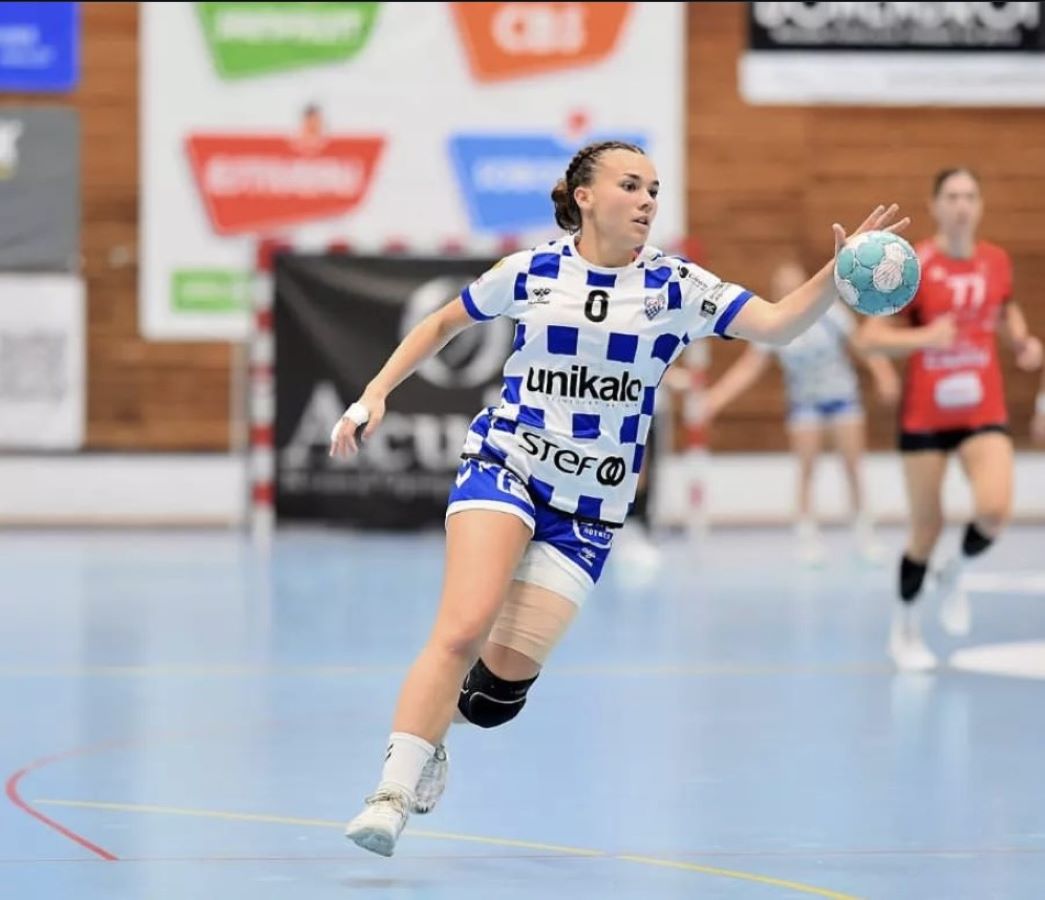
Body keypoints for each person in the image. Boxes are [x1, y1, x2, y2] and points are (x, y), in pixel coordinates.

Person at [329, 139, 909, 857]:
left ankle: (435, 729)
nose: (646, 201)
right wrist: (375, 392)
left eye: (653, 189)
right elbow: (444, 321)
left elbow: (777, 323)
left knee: (495, 696)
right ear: (585, 197)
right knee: (462, 627)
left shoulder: (676, 286)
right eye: (630, 186)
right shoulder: (533, 271)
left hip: (589, 506)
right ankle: (389, 796)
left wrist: (838, 270)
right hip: (507, 462)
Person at [855, 167, 1042, 672]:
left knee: (994, 512)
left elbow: (1004, 308)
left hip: (983, 409)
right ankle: (905, 626)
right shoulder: (913, 266)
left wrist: (1021, 340)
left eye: (970, 196)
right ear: (935, 205)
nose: (962, 205)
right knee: (926, 528)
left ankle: (955, 570)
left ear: (980, 206)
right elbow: (867, 339)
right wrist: (924, 338)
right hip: (926, 416)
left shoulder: (995, 261)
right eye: (952, 196)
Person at [697, 259, 901, 565]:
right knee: (807, 469)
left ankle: (864, 534)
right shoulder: (773, 323)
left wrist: (883, 373)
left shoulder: (830, 312)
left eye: (794, 284)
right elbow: (749, 368)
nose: (789, 290)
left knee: (853, 466)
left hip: (842, 397)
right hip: (805, 403)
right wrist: (715, 398)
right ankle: (807, 536)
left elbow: (860, 345)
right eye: (782, 287)